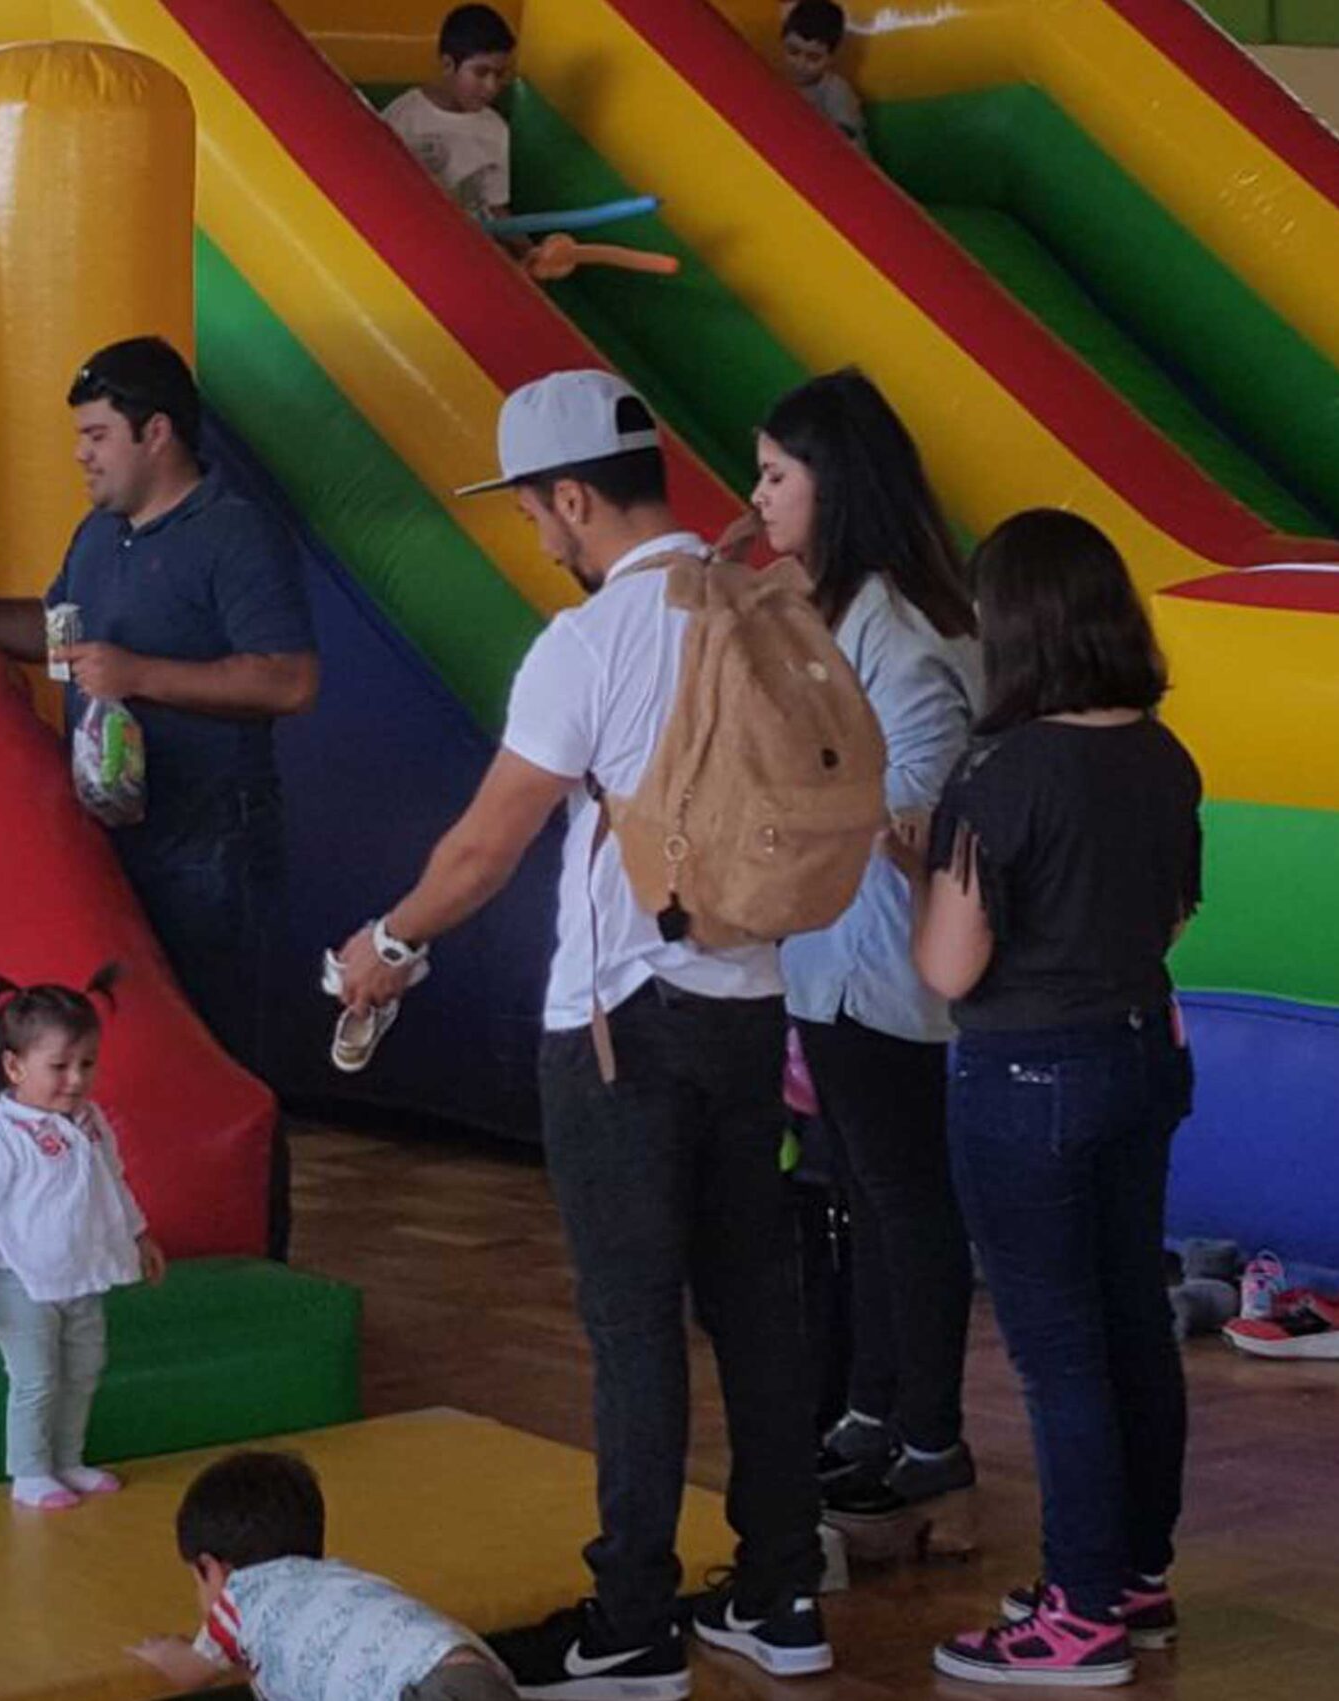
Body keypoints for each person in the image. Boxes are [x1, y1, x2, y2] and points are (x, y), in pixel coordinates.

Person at [332, 371, 827, 1699]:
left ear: (569, 498)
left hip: (620, 1025)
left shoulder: (588, 644)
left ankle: (635, 1623)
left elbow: (488, 842)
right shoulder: (763, 610)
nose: (534, 533)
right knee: (753, 1317)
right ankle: (783, 1594)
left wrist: (384, 948)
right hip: (749, 1006)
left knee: (633, 1328)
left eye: (534, 509)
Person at [0, 337, 316, 1244]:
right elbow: (57, 634)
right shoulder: (98, 536)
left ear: (158, 433)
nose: (82, 453)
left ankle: (254, 1253)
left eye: (98, 434)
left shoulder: (233, 532)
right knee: (120, 1049)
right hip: (111, 833)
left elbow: (289, 680)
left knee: (218, 1056)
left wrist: (142, 673)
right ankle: (134, 1238)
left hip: (212, 839)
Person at [909, 510, 1201, 1689]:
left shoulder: (1003, 771)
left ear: (1015, 628)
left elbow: (948, 968)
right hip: (1140, 1054)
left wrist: (917, 864)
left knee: (1059, 1354)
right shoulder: (1161, 753)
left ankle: (1075, 1618)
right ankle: (1130, 1576)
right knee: (1133, 1318)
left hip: (1025, 1078)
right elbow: (1173, 914)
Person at [746, 372, 983, 1544]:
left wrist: (777, 804)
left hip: (890, 968)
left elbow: (918, 801)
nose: (760, 497)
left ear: (833, 486)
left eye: (777, 475)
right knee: (865, 1198)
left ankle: (927, 1433)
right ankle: (869, 1412)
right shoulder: (838, 613)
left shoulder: (893, 624)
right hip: (837, 965)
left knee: (903, 1202)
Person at [0, 967, 166, 1510]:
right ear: (15, 1067)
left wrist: (139, 1234)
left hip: (80, 1274)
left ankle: (68, 1459)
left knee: (83, 1370)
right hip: (16, 1279)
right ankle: (29, 1471)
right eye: (59, 1067)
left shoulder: (90, 1123)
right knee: (37, 1379)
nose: (76, 1079)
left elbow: (113, 1184)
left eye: (86, 1064)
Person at [131, 1450, 519, 1701]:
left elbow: (190, 1673)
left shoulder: (240, 1595)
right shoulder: (337, 1581)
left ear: (211, 1568)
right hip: (471, 1672)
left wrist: (163, 1653)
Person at [382, 7, 523, 245]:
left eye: (499, 75)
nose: (491, 87)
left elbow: (496, 207)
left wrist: (526, 250)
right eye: (481, 72)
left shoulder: (496, 129)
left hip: (474, 243)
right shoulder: (404, 117)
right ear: (448, 65)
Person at [781, 1, 865, 149]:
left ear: (831, 57)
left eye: (813, 58)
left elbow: (845, 145)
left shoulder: (835, 91)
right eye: (793, 51)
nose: (800, 64)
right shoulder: (779, 79)